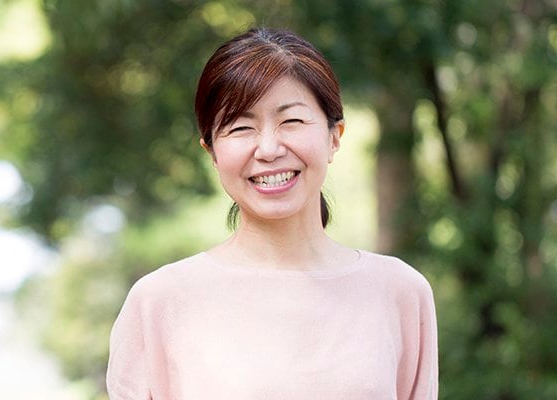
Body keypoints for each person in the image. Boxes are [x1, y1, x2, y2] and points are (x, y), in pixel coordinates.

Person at [105, 28, 439, 399]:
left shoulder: (400, 291)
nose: (268, 148)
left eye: (291, 121)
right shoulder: (159, 301)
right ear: (212, 152)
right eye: (241, 127)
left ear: (334, 136)